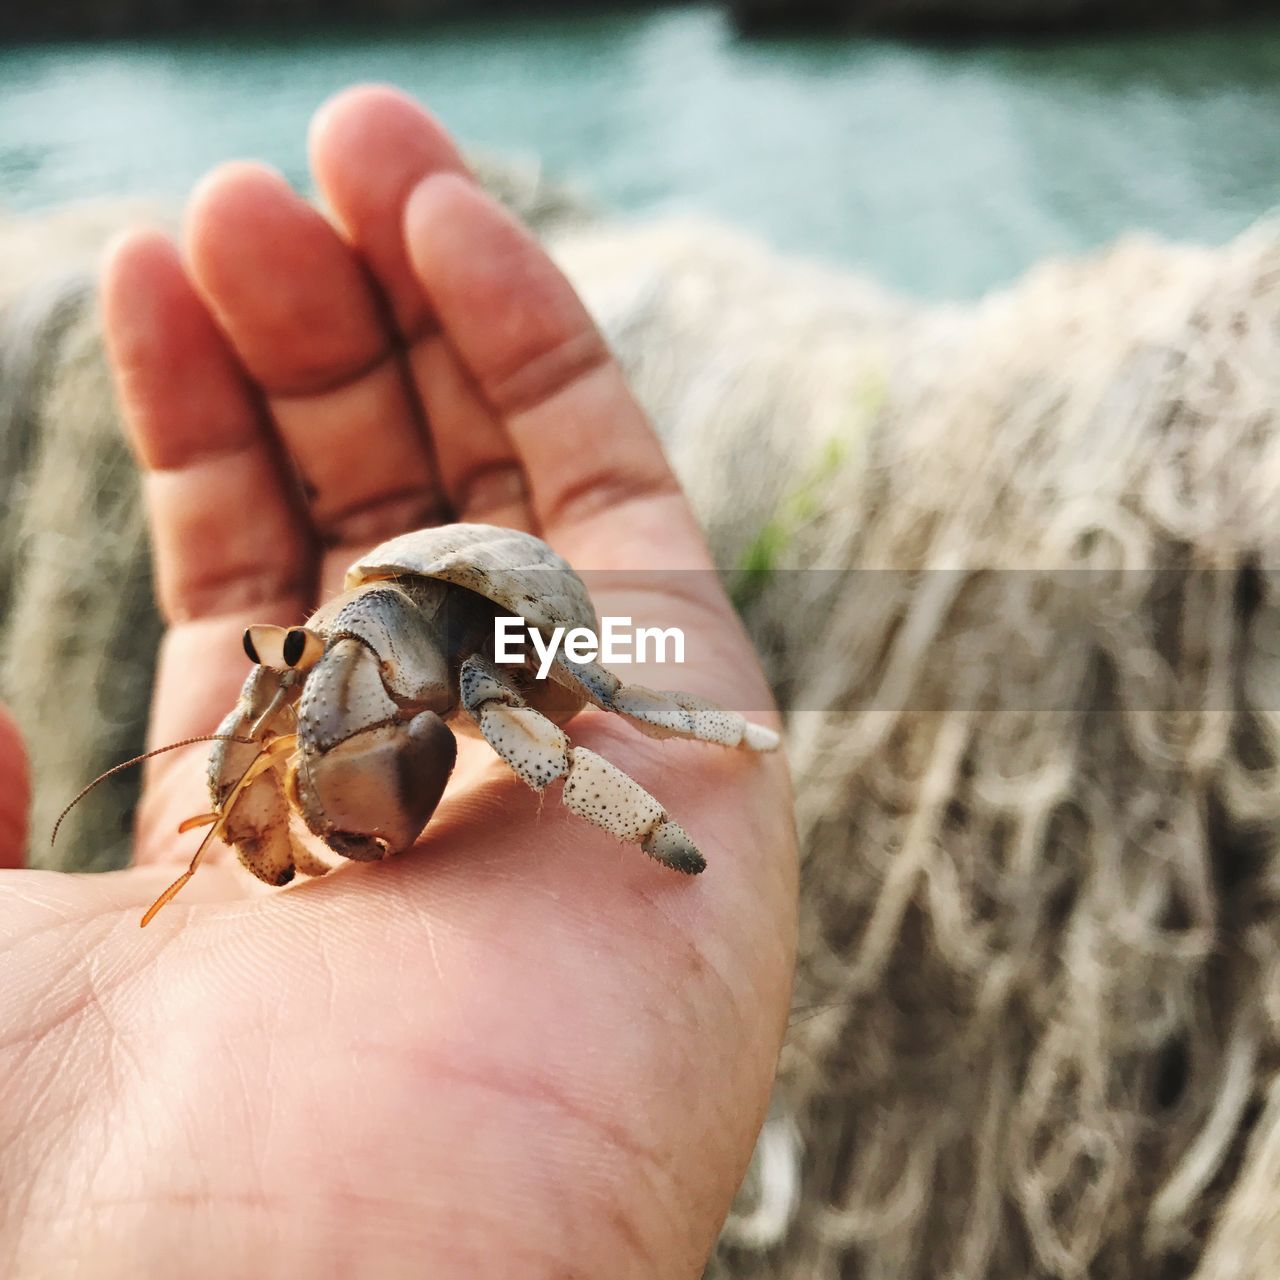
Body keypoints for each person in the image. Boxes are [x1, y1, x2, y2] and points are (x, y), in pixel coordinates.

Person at [0, 86, 797, 1278]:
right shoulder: (344, 632)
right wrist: (250, 776)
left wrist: (674, 796)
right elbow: (296, 674)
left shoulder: (482, 662)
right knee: (298, 677)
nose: (318, 671)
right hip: (404, 607)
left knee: (526, 711)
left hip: (500, 634)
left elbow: (576, 720)